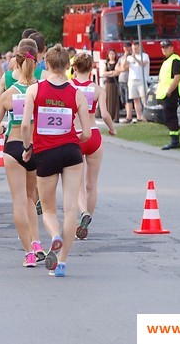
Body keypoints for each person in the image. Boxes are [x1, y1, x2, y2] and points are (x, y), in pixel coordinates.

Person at [20, 44, 91, 278]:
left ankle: (54, 236)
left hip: (45, 153)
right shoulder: (76, 93)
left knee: (48, 209)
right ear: (68, 65)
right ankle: (62, 263)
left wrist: (28, 147)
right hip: (71, 152)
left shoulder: (35, 89)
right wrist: (73, 140)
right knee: (70, 211)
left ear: (47, 64)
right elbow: (87, 133)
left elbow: (25, 124)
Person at [0, 45, 46, 267]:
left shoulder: (8, 94)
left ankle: (28, 252)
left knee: (19, 201)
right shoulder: (41, 90)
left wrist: (3, 129)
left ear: (17, 65)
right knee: (31, 198)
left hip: (13, 146)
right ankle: (37, 242)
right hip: (36, 147)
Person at [71, 53, 117, 239]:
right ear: (91, 69)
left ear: (74, 68)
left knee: (77, 182)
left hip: (76, 134)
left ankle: (83, 212)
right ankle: (86, 222)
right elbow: (104, 114)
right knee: (92, 183)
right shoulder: (98, 89)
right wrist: (112, 128)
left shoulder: (70, 86)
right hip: (94, 135)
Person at [156, 40, 180, 150]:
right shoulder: (167, 60)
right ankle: (174, 140)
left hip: (172, 93)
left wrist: (169, 91)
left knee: (171, 117)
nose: (164, 49)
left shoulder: (175, 60)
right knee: (168, 117)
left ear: (172, 48)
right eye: (163, 47)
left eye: (166, 47)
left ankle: (175, 142)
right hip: (166, 94)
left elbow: (177, 77)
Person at [127, 42, 149, 122]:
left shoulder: (145, 56)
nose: (134, 50)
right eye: (133, 48)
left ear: (140, 47)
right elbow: (125, 67)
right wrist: (127, 57)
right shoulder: (129, 57)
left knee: (144, 98)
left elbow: (143, 64)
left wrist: (135, 58)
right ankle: (139, 116)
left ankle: (146, 116)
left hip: (141, 79)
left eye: (136, 48)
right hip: (132, 80)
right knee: (135, 99)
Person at [101, 49, 121, 123]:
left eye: (113, 54)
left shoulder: (117, 63)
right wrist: (112, 72)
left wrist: (109, 73)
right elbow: (103, 73)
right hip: (108, 83)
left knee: (115, 100)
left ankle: (115, 117)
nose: (111, 55)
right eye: (110, 54)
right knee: (108, 99)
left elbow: (117, 73)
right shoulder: (106, 64)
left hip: (114, 83)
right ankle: (109, 116)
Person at [117, 42, 133, 122]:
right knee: (123, 100)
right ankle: (127, 115)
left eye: (128, 47)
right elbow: (117, 68)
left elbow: (125, 67)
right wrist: (122, 68)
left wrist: (126, 57)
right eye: (125, 47)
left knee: (128, 99)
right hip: (121, 80)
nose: (126, 48)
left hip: (128, 80)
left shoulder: (131, 57)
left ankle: (129, 117)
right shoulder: (121, 58)